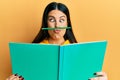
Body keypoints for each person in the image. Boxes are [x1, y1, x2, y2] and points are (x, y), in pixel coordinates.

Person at [6, 2, 108, 80]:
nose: (57, 25)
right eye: (52, 20)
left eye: (62, 20)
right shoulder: (32, 52)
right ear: (45, 23)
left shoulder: (81, 53)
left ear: (67, 23)